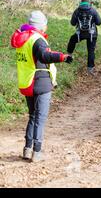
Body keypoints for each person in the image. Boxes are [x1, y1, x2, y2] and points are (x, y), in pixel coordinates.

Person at [10, 11, 72, 162]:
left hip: (27, 82)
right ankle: (37, 152)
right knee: (40, 118)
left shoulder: (23, 39)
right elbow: (44, 56)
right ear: (41, 25)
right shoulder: (37, 39)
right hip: (40, 81)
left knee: (32, 116)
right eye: (45, 24)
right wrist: (63, 57)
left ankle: (27, 149)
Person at [66, 0, 101, 76]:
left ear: (81, 2)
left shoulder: (77, 10)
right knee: (91, 51)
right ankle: (90, 69)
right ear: (89, 2)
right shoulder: (93, 10)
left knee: (72, 40)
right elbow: (99, 22)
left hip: (80, 34)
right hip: (92, 34)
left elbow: (73, 23)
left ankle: (69, 57)